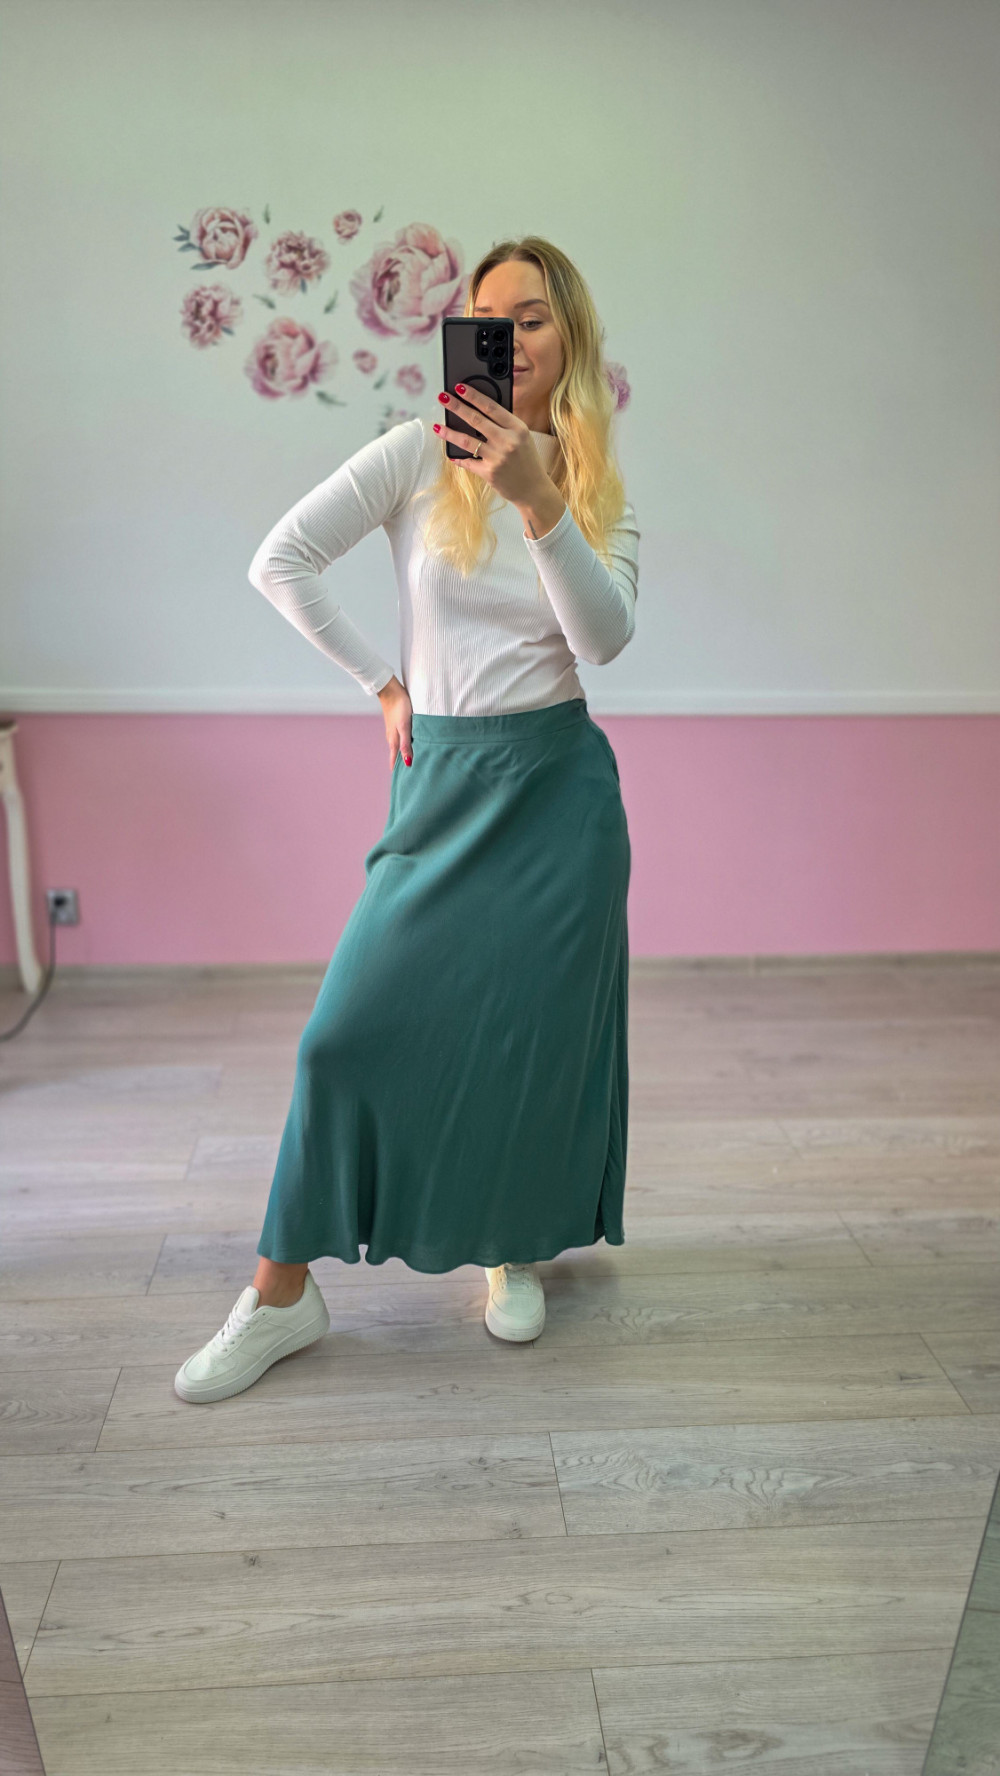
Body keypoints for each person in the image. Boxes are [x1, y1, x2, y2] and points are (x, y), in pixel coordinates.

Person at [174, 235, 639, 1404]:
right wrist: (383, 684)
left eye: (532, 318)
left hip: (558, 798)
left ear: (570, 337)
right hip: (442, 785)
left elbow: (602, 642)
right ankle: (282, 1296)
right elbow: (281, 561)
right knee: (342, 1037)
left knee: (526, 1043)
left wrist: (538, 500)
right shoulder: (413, 453)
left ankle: (511, 1244)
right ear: (460, 337)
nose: (510, 340)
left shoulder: (590, 485)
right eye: (489, 319)